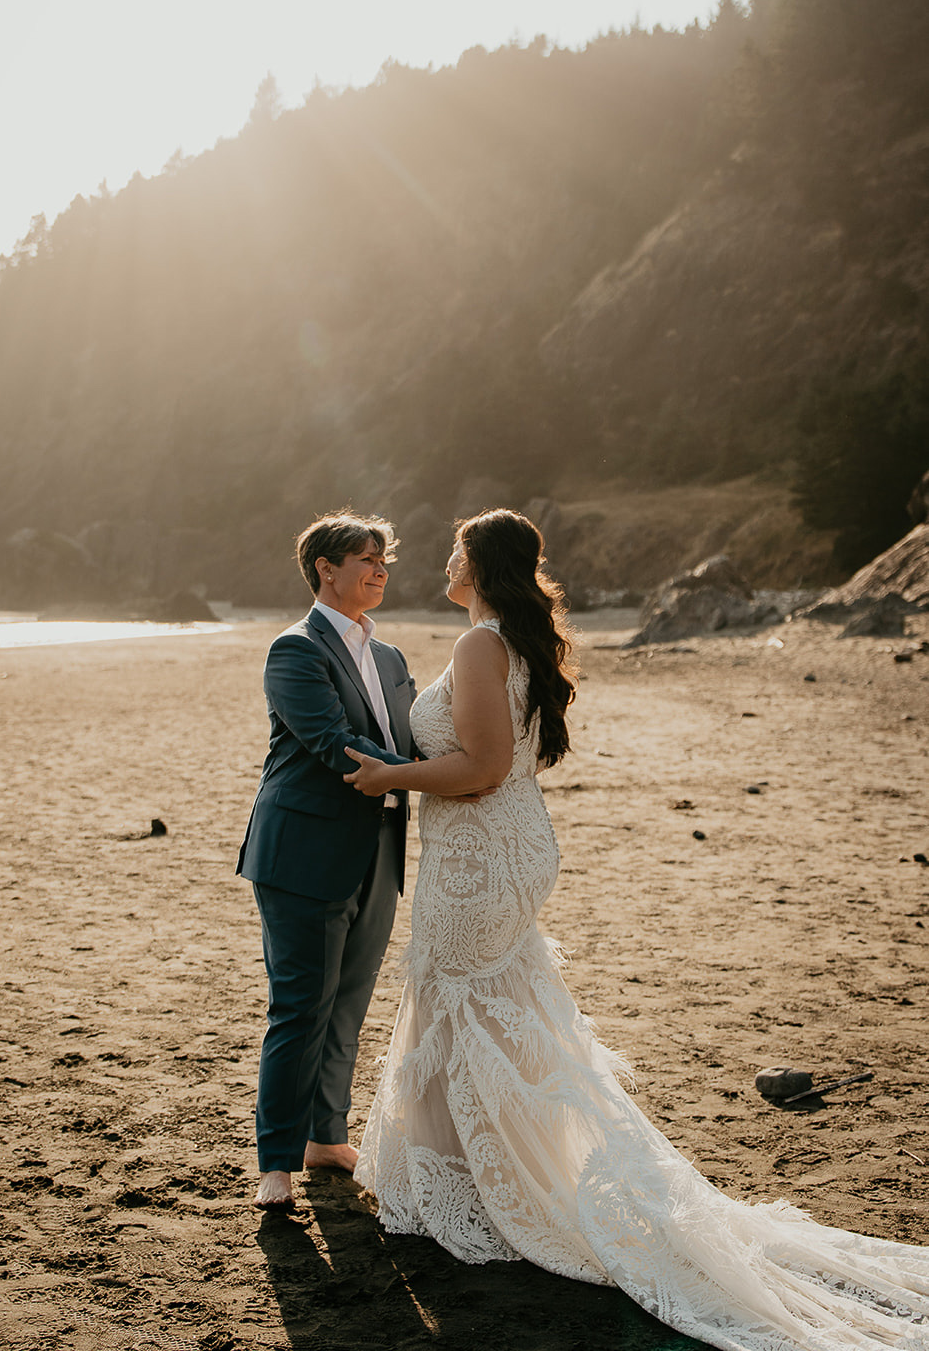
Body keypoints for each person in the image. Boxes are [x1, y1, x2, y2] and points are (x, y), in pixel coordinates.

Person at [344, 509, 929, 1351]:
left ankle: (476, 1190)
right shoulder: (514, 642)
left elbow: (483, 767)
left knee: (458, 1002)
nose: (443, 561)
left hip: (478, 855)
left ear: (479, 563)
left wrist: (388, 777)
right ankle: (470, 1176)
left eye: (455, 551)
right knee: (486, 1007)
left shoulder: (480, 644)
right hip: (505, 847)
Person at [236, 511, 418, 1211]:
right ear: (325, 568)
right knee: (299, 1008)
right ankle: (276, 1163)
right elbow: (330, 741)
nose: (379, 569)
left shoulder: (391, 657)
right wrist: (432, 778)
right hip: (303, 854)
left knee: (348, 1003)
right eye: (366, 558)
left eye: (383, 559)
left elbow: (411, 741)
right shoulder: (294, 649)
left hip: (380, 849)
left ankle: (324, 1137)